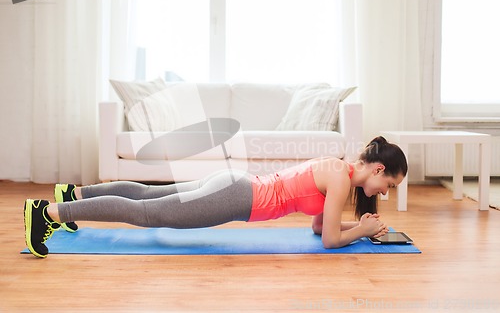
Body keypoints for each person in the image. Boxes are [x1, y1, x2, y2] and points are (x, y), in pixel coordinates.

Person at [23, 136, 407, 258]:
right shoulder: (341, 179)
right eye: (389, 185)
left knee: (146, 195)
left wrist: (357, 226)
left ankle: (72, 194)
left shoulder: (337, 170)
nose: (384, 193)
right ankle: (49, 212)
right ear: (377, 170)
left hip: (236, 184)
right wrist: (360, 229)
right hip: (238, 198)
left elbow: (317, 226)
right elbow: (327, 241)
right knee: (146, 213)